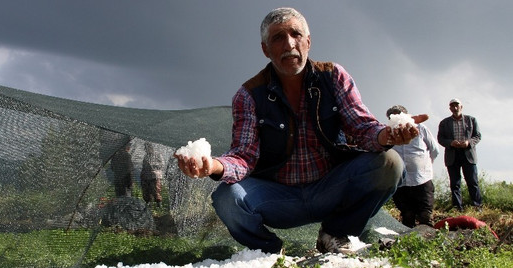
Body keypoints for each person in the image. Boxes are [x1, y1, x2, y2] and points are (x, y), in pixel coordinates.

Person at [175, 7, 422, 254]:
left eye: (296, 34)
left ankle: (335, 234)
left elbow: (360, 126)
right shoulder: (249, 95)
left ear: (308, 41)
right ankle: (268, 253)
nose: (289, 44)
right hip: (279, 198)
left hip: (331, 188)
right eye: (278, 38)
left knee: (390, 164)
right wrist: (213, 166)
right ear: (266, 49)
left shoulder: (334, 76)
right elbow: (243, 157)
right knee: (227, 199)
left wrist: (387, 135)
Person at [386, 105, 440, 227]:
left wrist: (425, 166)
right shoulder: (388, 133)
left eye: (398, 115)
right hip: (401, 182)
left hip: (422, 179)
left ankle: (428, 242)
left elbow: (435, 150)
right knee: (407, 215)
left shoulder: (421, 128)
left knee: (425, 215)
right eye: (392, 117)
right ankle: (408, 244)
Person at [437, 98, 483, 211]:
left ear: (461, 107)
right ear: (450, 108)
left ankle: (477, 206)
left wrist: (468, 142)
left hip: (468, 154)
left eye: (457, 105)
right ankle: (457, 207)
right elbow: (440, 138)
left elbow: (477, 136)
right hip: (452, 154)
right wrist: (451, 143)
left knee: (472, 182)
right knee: (455, 183)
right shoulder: (444, 123)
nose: (455, 108)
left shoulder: (471, 120)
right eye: (452, 106)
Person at [141, 142, 164, 207]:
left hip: (155, 176)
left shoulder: (157, 155)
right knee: (146, 191)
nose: (146, 150)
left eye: (147, 148)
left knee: (155, 190)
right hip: (146, 176)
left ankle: (158, 203)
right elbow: (143, 166)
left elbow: (162, 164)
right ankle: (148, 203)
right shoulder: (146, 156)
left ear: (151, 147)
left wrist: (152, 165)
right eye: (145, 148)